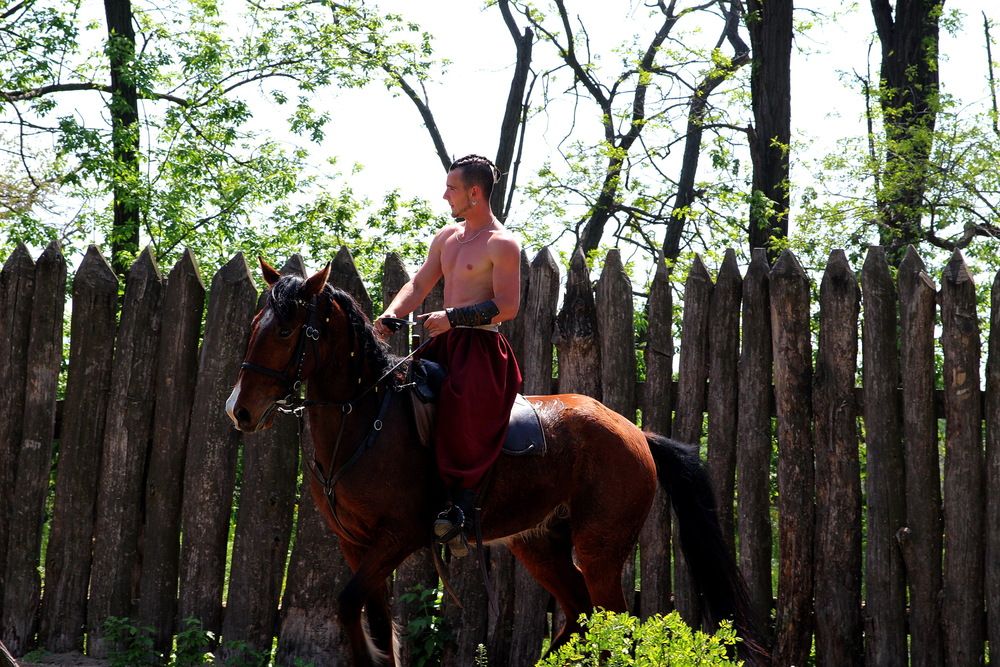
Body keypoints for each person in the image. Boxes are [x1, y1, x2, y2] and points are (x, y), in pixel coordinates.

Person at [374, 154, 522, 556]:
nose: (445, 196)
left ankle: (461, 508)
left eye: (451, 189)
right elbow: (419, 283)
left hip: (482, 352)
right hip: (442, 342)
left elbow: (507, 307)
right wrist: (392, 314)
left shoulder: (503, 244)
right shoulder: (446, 237)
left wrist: (454, 317)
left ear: (475, 193)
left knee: (461, 408)